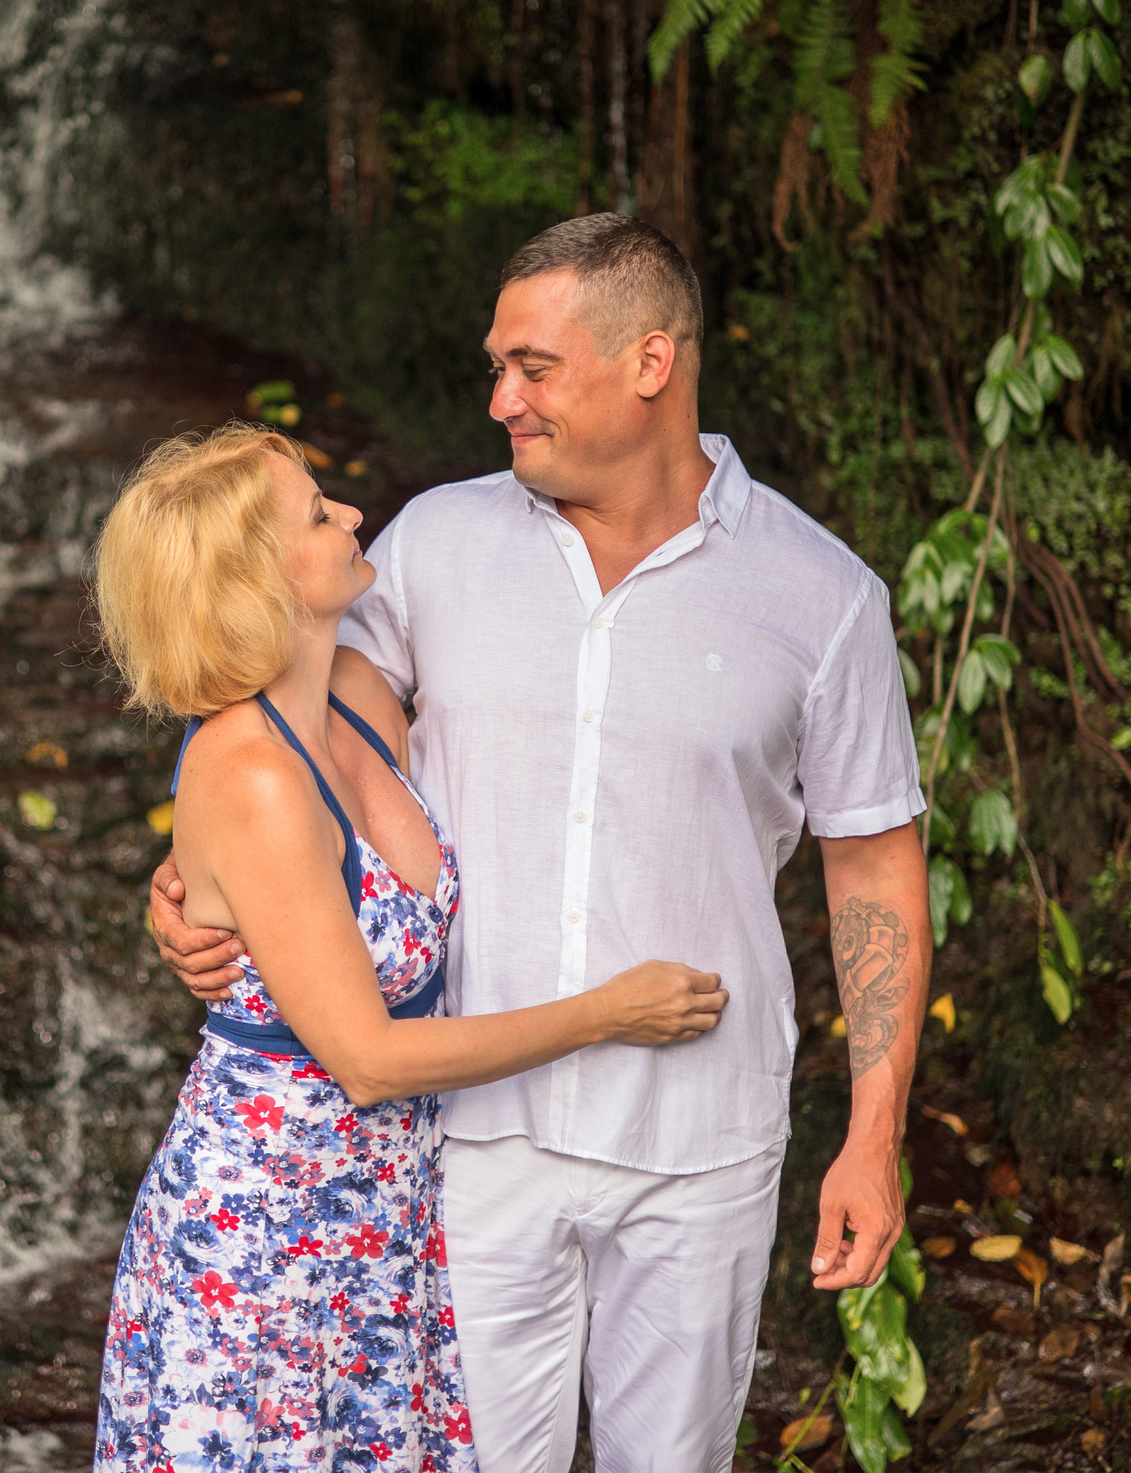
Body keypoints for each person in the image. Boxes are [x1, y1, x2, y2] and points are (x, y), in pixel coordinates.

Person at [149, 214, 932, 1473]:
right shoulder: (430, 544)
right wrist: (201, 882)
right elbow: (296, 742)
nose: (502, 400)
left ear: (649, 364)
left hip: (702, 1143)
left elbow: (873, 859)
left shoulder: (822, 595)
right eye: (495, 367)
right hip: (467, 1143)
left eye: (534, 367)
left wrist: (873, 1132)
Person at [90, 423, 732, 1473]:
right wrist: (609, 1013)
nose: (349, 514)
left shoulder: (354, 696)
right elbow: (369, 1059)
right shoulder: (248, 774)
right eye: (316, 513)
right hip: (265, 1239)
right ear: (255, 580)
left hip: (383, 1221)